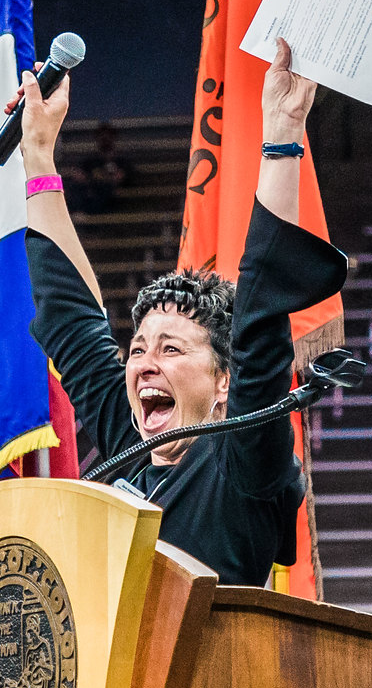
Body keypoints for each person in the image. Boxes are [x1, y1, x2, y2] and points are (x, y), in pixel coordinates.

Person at [19, 38, 347, 587]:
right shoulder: (130, 444)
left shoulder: (241, 461)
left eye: (172, 348)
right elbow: (70, 317)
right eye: (139, 348)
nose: (146, 362)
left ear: (224, 381)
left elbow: (261, 321)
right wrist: (38, 154)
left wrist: (284, 137)